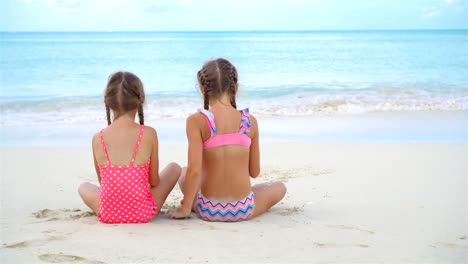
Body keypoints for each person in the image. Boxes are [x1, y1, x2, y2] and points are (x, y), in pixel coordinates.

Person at [168, 58, 286, 222]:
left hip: (207, 209)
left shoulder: (197, 121)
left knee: (184, 172)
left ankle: (196, 202)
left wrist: (185, 208)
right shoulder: (250, 122)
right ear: (235, 88)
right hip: (243, 209)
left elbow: (195, 171)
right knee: (279, 187)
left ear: (203, 89)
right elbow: (254, 172)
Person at [78, 71, 181, 223]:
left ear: (108, 102)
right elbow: (154, 182)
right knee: (174, 168)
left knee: (83, 187)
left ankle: (119, 207)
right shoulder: (148, 133)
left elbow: (103, 183)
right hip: (143, 212)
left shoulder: (97, 137)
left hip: (109, 213)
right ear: (141, 100)